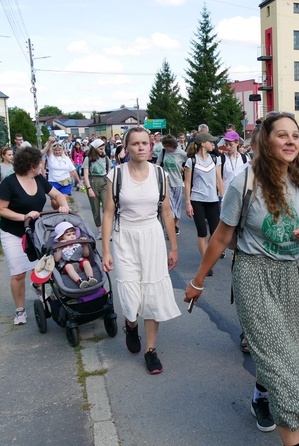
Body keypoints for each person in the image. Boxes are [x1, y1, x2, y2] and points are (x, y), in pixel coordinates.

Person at [184, 112, 299, 446]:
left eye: (295, 135)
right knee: (283, 363)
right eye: (282, 135)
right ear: (265, 140)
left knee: (281, 347)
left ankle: (261, 394)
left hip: (291, 274)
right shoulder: (244, 182)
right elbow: (220, 236)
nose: (291, 141)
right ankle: (290, 431)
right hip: (253, 273)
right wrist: (198, 280)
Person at [101, 127, 181, 374]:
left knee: (152, 294)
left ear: (151, 145)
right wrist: (106, 250)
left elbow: (166, 212)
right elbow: (108, 214)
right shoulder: (116, 175)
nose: (141, 147)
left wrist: (173, 247)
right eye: (135, 144)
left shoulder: (159, 174)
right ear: (127, 148)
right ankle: (131, 323)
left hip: (152, 236)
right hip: (124, 236)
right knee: (130, 295)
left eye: (145, 143)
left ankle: (151, 351)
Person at [0, 147, 70, 325]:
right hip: (13, 232)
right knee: (18, 273)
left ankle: (37, 286)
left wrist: (63, 205)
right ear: (31, 166)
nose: (42, 166)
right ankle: (20, 310)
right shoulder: (9, 183)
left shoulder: (39, 179)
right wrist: (24, 217)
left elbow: (57, 194)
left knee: (44, 267)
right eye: (39, 163)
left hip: (36, 231)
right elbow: (0, 209)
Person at [184, 131, 224, 276]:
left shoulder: (215, 160)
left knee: (215, 233)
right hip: (197, 200)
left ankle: (209, 257)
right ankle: (206, 263)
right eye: (211, 142)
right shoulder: (191, 161)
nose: (213, 144)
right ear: (203, 144)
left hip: (213, 199)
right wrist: (188, 203)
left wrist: (223, 199)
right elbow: (187, 183)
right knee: (202, 232)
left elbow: (220, 180)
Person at [52, 222, 98, 289]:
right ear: (61, 238)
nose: (72, 236)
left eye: (73, 234)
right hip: (67, 266)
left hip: (79, 264)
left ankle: (90, 277)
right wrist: (60, 249)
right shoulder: (59, 247)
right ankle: (79, 281)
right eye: (68, 235)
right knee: (68, 266)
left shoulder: (78, 244)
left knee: (86, 261)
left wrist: (84, 245)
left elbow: (86, 254)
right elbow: (56, 259)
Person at [157, 134, 187, 235]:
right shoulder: (163, 151)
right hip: (166, 182)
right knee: (169, 206)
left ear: (172, 145)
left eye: (166, 146)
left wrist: (185, 169)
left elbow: (189, 163)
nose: (165, 148)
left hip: (178, 182)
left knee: (177, 206)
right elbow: (158, 164)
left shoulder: (181, 153)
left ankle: (175, 226)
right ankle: (170, 228)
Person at [83, 138, 111, 240]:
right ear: (94, 148)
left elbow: (109, 172)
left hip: (104, 182)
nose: (102, 149)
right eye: (100, 148)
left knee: (106, 207)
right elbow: (85, 175)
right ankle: (100, 230)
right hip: (93, 182)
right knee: (95, 209)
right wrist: (89, 188)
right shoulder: (88, 159)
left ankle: (107, 230)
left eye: (103, 147)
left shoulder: (106, 158)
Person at [44, 141, 84, 210]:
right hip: (53, 182)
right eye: (56, 150)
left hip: (65, 182)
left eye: (59, 150)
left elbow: (73, 171)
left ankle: (64, 215)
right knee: (54, 203)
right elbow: (47, 149)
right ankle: (57, 212)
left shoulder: (66, 159)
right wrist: (50, 142)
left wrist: (79, 181)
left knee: (63, 201)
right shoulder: (50, 157)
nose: (57, 152)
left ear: (62, 150)